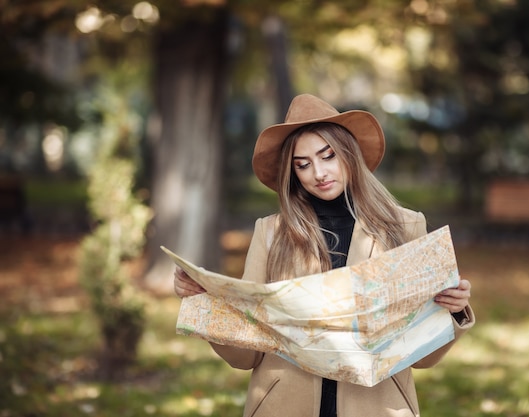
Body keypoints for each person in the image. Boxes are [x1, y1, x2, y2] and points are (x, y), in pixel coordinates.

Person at [174, 93, 475, 417]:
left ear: (348, 154)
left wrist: (452, 310)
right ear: (293, 173)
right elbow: (247, 357)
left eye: (327, 156)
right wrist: (207, 304)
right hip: (284, 406)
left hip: (377, 406)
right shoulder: (271, 232)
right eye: (303, 164)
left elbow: (423, 358)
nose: (318, 173)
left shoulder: (405, 226)